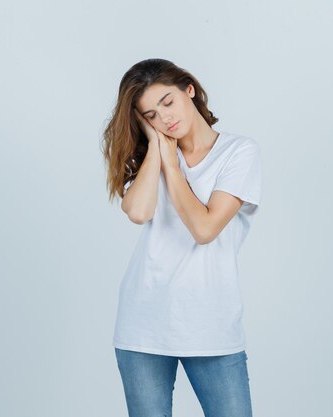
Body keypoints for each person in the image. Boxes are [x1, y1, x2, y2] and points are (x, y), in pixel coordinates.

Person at [101, 58, 263, 417]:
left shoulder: (238, 152)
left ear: (189, 89)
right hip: (142, 325)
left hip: (210, 324)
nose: (165, 119)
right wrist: (158, 151)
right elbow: (139, 211)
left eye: (168, 103)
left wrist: (173, 168)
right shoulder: (154, 155)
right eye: (151, 115)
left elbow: (205, 229)